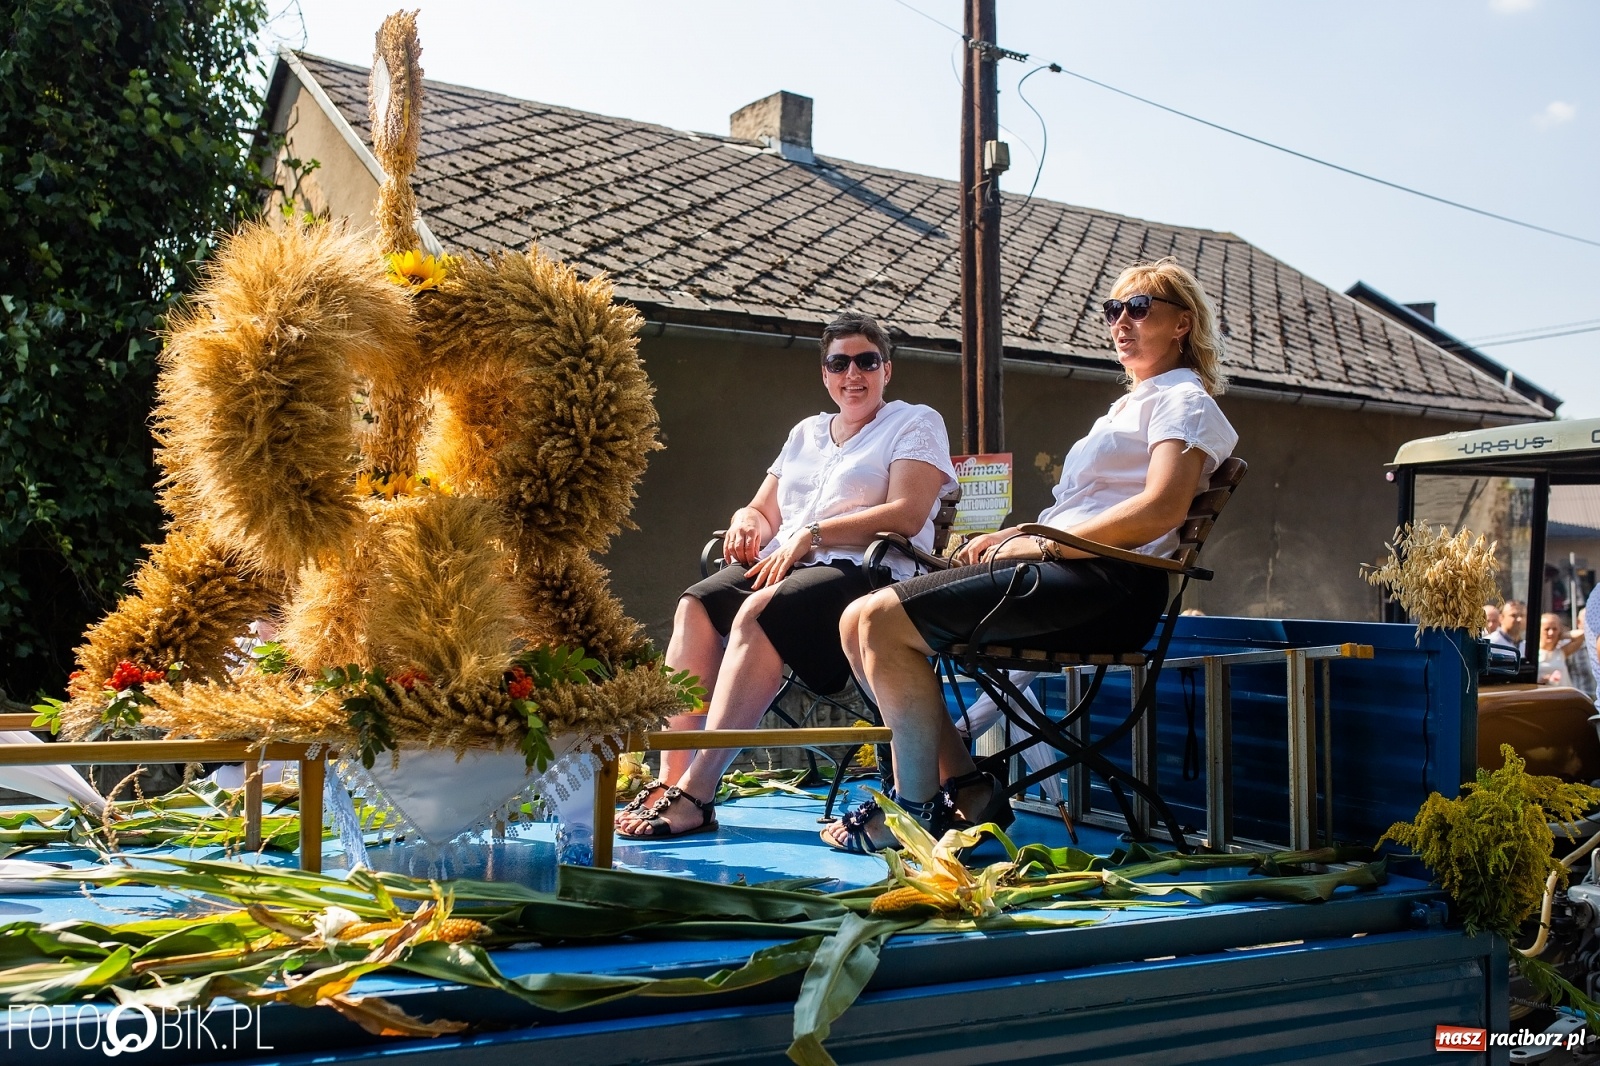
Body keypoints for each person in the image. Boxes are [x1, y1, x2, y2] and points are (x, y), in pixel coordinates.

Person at [828, 257, 1238, 852]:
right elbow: (1087, 505)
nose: (1122, 321)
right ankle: (966, 786)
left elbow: (1160, 511)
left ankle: (912, 812)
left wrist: (1044, 542)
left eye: (1140, 308)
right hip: (1063, 571)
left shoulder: (1182, 399)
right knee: (854, 620)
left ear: (1182, 323)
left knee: (883, 621)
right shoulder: (1133, 404)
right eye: (1113, 310)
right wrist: (1013, 533)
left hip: (1109, 587)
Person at [615, 311, 957, 839]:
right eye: (839, 363)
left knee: (760, 611)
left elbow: (909, 514)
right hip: (788, 567)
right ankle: (670, 779)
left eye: (866, 361)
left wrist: (813, 534)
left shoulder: (914, 421)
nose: (853, 374)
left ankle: (698, 793)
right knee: (697, 606)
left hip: (865, 573)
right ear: (825, 374)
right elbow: (762, 511)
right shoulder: (805, 433)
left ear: (886, 370)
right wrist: (744, 520)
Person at [1538, 612, 1570, 686]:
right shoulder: (1529, 651)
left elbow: (1581, 636)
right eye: (1547, 629)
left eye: (1555, 629)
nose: (1551, 632)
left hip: (1563, 695)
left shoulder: (1561, 651)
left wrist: (1561, 635)